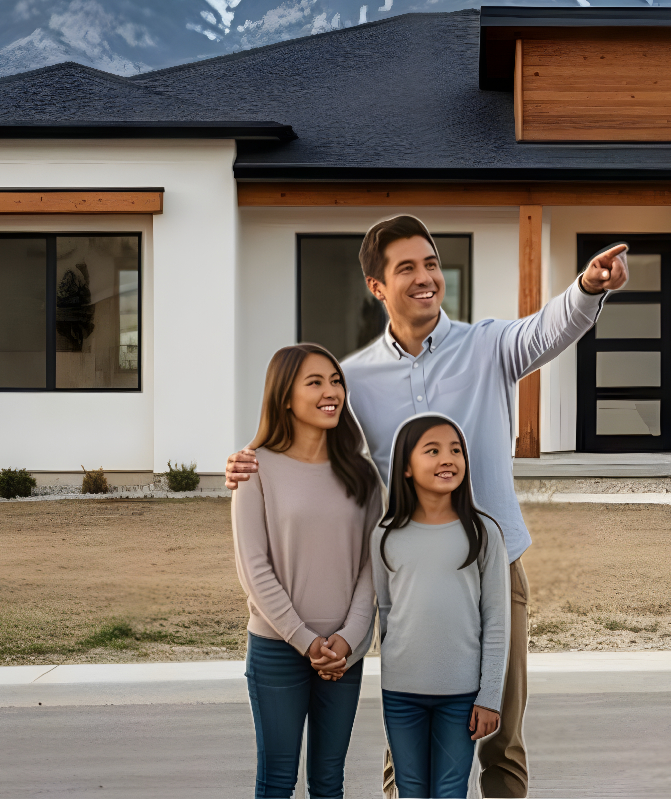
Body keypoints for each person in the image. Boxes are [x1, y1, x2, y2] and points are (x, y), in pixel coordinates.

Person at [229, 214, 629, 797]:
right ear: (377, 286)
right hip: (409, 576)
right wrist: (253, 459)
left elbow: (547, 330)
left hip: (494, 569)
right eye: (407, 267)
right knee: (406, 735)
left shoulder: (489, 346)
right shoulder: (356, 378)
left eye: (432, 263)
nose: (426, 277)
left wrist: (588, 288)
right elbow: (319, 441)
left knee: (500, 738)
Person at [231, 343, 385, 799]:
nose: (330, 391)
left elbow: (370, 568)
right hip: (278, 649)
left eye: (335, 381)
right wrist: (307, 641)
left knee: (328, 783)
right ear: (284, 397)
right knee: (277, 781)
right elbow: (253, 569)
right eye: (314, 382)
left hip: (344, 652)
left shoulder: (362, 474)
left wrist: (348, 639)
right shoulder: (254, 468)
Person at [373, 413, 510, 799]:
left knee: (451, 791)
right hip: (401, 693)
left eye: (455, 450)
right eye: (432, 450)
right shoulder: (384, 536)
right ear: (405, 468)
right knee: (411, 789)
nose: (447, 459)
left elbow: (497, 623)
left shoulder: (484, 534)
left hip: (461, 695)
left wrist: (489, 696)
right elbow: (385, 614)